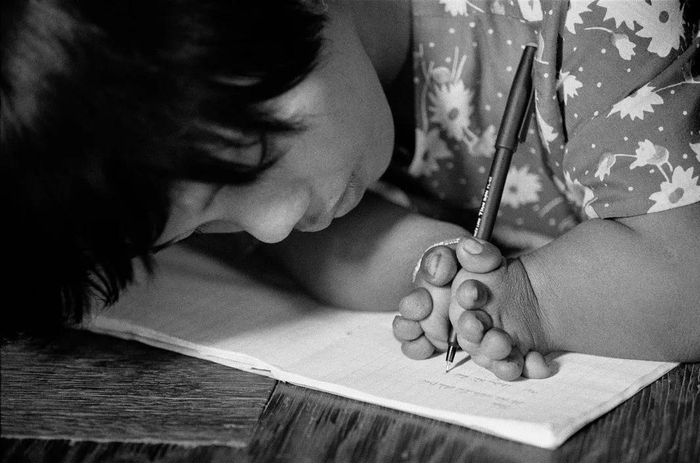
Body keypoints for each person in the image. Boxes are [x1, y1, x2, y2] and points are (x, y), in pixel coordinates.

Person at [2, 0, 698, 382]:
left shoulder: (590, 14)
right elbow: (339, 251)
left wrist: (530, 300)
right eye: (200, 227)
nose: (273, 226)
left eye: (257, 155)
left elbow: (686, 277)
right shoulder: (295, 140)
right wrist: (444, 278)